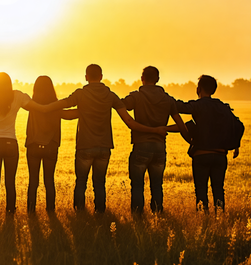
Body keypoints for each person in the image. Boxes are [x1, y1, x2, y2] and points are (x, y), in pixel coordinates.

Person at [47, 64, 167, 213]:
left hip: (85, 145)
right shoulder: (110, 95)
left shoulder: (80, 94)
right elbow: (129, 121)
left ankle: (80, 213)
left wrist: (44, 108)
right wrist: (155, 129)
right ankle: (100, 212)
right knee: (99, 182)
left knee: (81, 182)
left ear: (86, 77)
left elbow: (64, 107)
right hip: (104, 147)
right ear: (101, 77)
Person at [122, 66, 190, 214]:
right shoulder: (168, 99)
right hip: (160, 146)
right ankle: (158, 214)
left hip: (141, 145)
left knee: (138, 185)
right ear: (158, 79)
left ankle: (138, 216)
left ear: (142, 78)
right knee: (157, 184)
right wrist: (191, 141)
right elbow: (180, 124)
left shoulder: (136, 96)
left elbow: (123, 105)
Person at [172, 75, 241, 212]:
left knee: (201, 188)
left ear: (199, 89)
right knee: (218, 188)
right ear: (214, 90)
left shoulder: (198, 105)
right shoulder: (224, 107)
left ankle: (203, 219)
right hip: (220, 155)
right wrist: (235, 145)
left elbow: (179, 106)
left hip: (201, 154)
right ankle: (220, 217)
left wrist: (166, 99)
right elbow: (239, 125)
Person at [0, 72, 50, 214]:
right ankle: (10, 210)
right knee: (10, 181)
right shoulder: (18, 96)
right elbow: (36, 107)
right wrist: (51, 107)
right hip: (10, 142)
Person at [25, 76, 63, 213]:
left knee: (33, 181)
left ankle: (30, 211)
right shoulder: (56, 105)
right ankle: (51, 211)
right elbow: (68, 115)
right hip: (51, 146)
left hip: (33, 145)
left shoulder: (31, 104)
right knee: (49, 181)